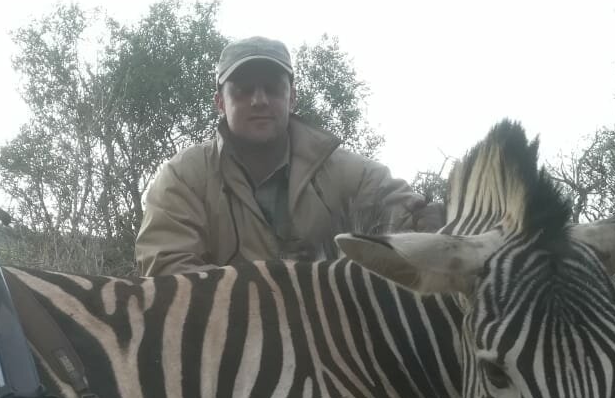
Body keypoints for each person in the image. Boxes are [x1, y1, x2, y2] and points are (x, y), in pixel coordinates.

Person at [134, 35, 444, 277]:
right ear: (219, 102)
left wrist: (437, 218)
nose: (259, 100)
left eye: (272, 88)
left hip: (332, 339)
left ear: (291, 97)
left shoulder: (345, 170)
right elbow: (167, 270)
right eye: (242, 90)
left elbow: (409, 215)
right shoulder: (182, 177)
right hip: (224, 342)